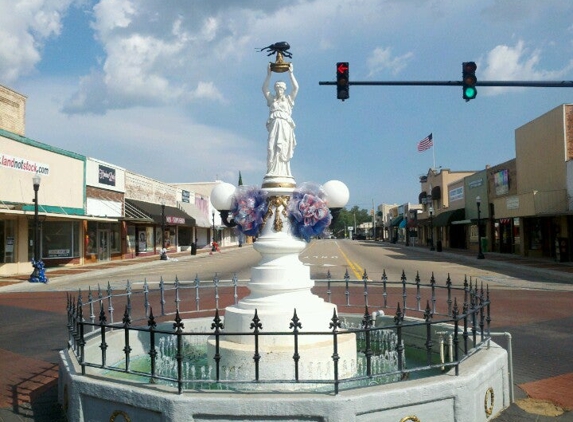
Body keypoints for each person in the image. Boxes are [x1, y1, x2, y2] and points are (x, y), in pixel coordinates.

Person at [262, 63, 299, 177]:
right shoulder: (272, 100)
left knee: (282, 147)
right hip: (274, 125)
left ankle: (283, 173)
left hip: (285, 126)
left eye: (281, 89)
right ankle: (272, 171)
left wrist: (291, 73)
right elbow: (264, 89)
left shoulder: (288, 100)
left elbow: (296, 88)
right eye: (278, 89)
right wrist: (268, 75)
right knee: (271, 147)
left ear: (284, 89)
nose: (280, 91)